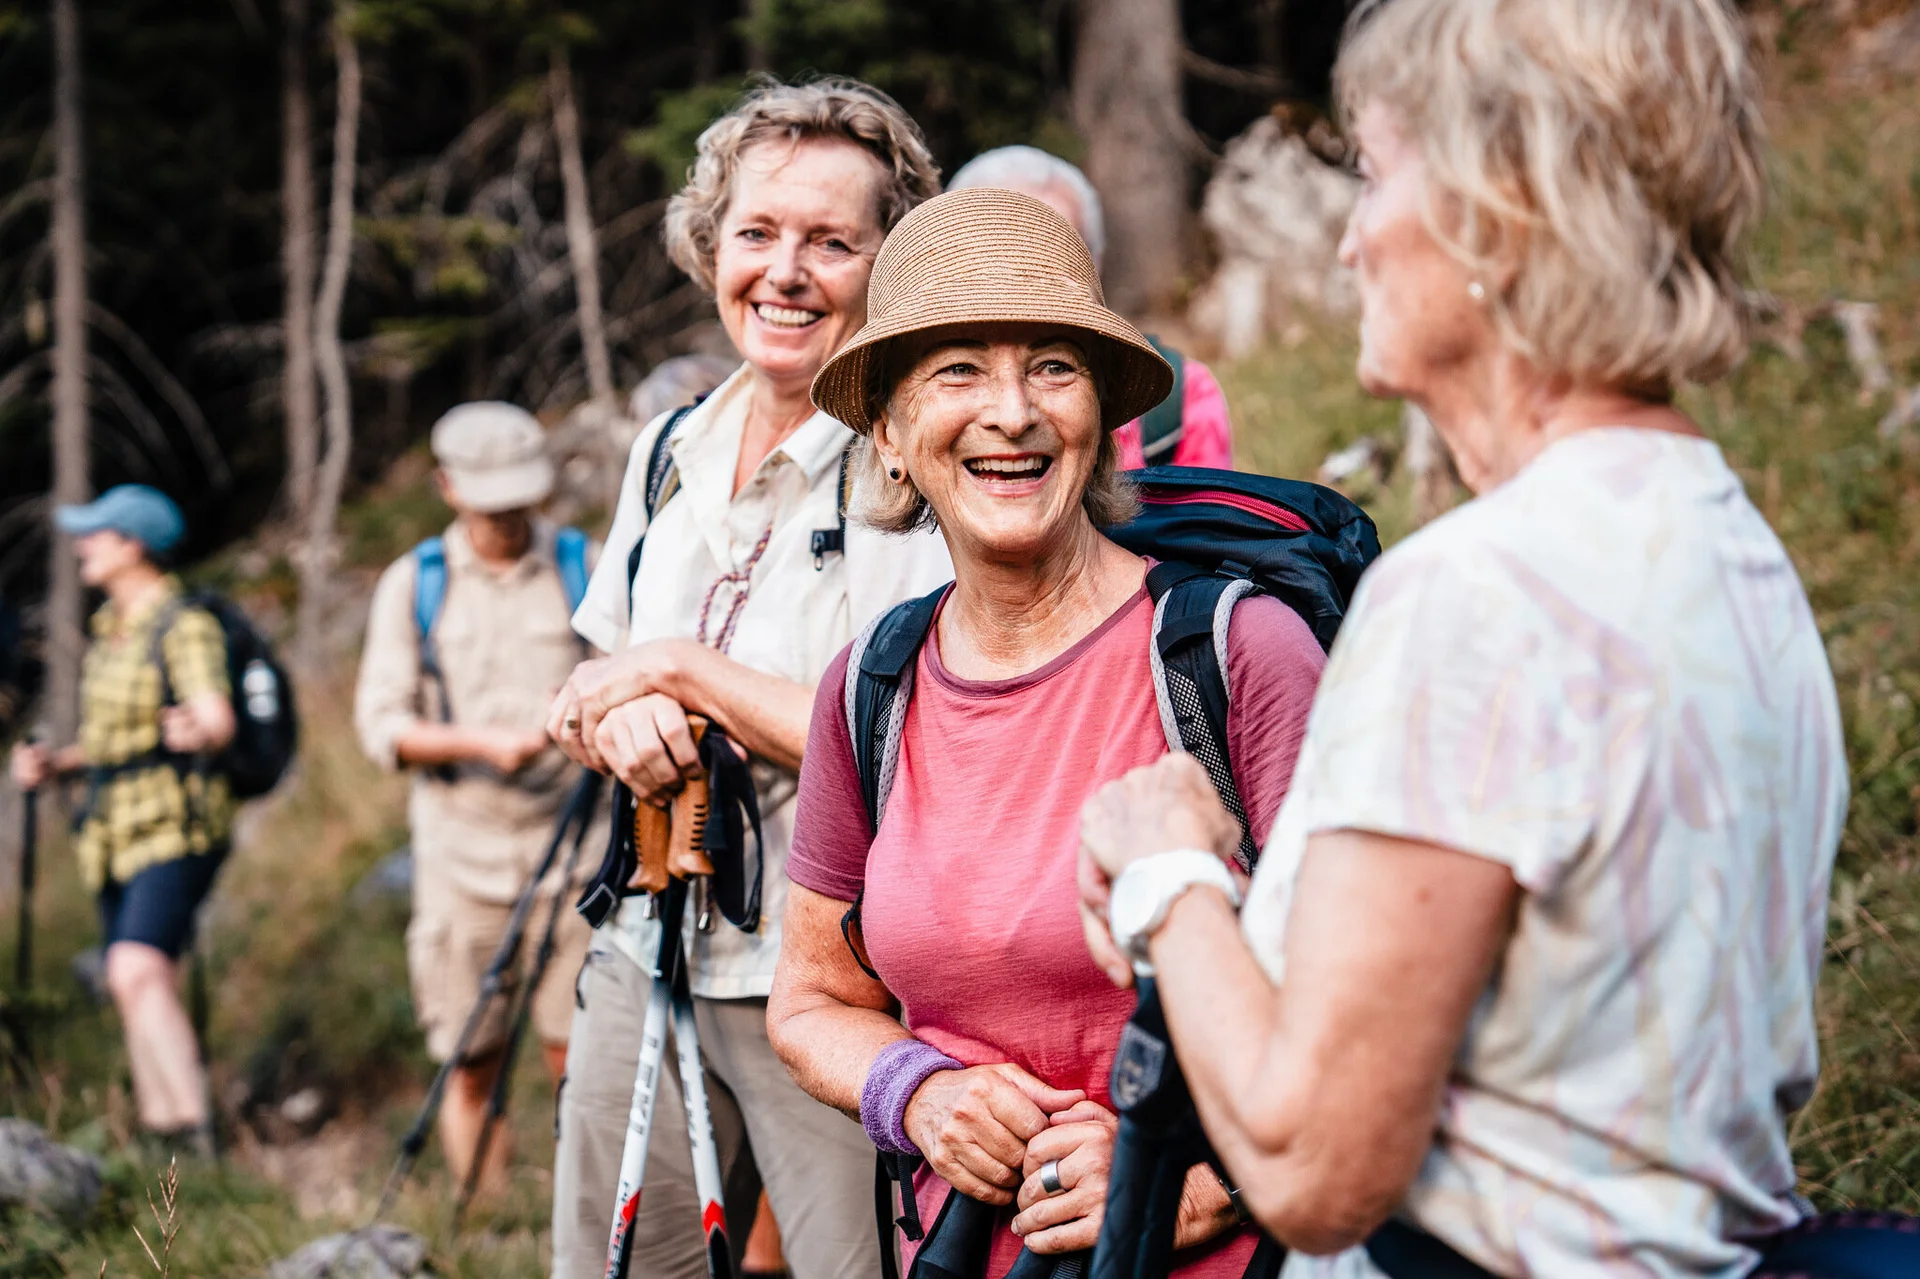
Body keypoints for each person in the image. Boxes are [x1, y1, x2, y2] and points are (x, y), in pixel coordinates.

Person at [1071, 1, 1852, 1276]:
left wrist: (1162, 867)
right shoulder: (1730, 546)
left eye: (1374, 177)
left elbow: (1314, 1164)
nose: (1346, 244)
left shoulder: (1481, 594)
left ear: (1501, 211)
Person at [766, 187, 1327, 1277]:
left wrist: (1198, 1189)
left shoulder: (1233, 654)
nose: (1012, 411)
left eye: (1052, 366)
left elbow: (1378, 1024)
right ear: (888, 429)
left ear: (1099, 414)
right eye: (957, 370)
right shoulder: (870, 689)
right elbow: (813, 1000)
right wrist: (918, 1093)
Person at [542, 78, 951, 1279]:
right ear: (709, 243)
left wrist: (679, 671)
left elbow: (898, 742)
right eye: (757, 233)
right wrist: (611, 715)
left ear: (889, 265)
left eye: (832, 242)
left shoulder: (912, 463)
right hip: (648, 946)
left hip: (835, 983)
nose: (785, 272)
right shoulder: (671, 444)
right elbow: (596, 661)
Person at [353, 401, 600, 1193]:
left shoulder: (583, 565)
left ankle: (584, 1229)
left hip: (580, 852)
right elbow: (382, 727)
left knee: (582, 1061)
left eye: (518, 497)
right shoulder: (414, 584)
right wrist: (482, 743)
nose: (506, 516)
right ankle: (485, 1225)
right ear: (447, 487)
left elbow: (628, 678)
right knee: (470, 1059)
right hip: (461, 857)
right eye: (490, 499)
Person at [10, 484, 235, 1157]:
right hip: (111, 833)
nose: (82, 545)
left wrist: (202, 726)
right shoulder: (113, 626)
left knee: (135, 967)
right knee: (130, 975)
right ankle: (162, 1131)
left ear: (133, 543)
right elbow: (122, 739)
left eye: (96, 533)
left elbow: (214, 715)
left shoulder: (182, 622)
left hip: (174, 824)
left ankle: (193, 1132)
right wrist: (60, 763)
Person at [947, 145, 1234, 472]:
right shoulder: (914, 395)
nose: (1030, 280)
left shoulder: (1178, 398)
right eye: (1001, 255)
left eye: (1061, 254)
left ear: (1094, 266)